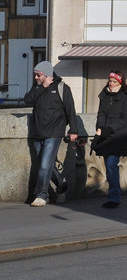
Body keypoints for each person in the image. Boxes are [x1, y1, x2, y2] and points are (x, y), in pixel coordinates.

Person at [22, 60, 80, 207]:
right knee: (45, 164)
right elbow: (27, 100)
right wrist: (42, 87)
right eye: (35, 75)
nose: (35, 78)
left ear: (46, 74)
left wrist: (73, 130)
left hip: (54, 133)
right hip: (38, 132)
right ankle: (62, 186)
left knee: (44, 165)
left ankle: (42, 194)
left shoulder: (62, 88)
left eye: (38, 75)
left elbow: (70, 111)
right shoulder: (38, 87)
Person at [92, 70, 127, 208]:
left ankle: (115, 197)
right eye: (110, 80)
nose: (111, 83)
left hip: (119, 135)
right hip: (105, 135)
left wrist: (109, 129)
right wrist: (99, 128)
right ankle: (113, 195)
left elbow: (125, 119)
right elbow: (101, 114)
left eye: (114, 81)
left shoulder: (125, 96)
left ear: (120, 82)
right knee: (108, 167)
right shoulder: (104, 94)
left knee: (111, 164)